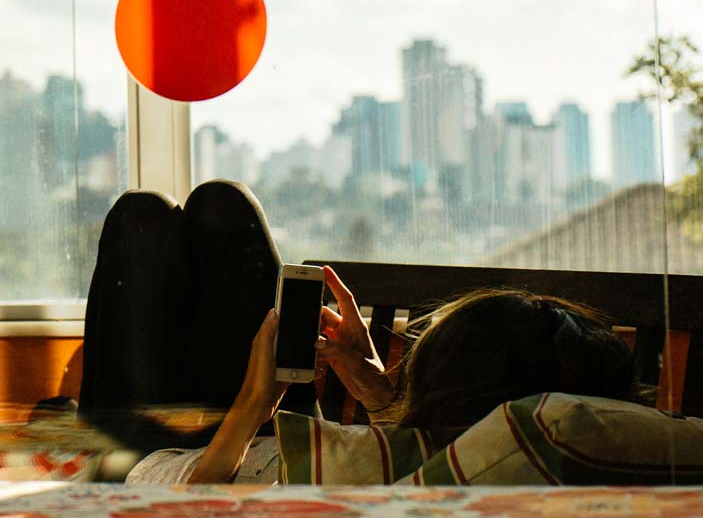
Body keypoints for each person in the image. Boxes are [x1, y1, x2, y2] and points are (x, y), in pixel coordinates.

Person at [80, 182, 648, 486]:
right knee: (217, 205)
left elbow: (181, 505)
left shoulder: (366, 478)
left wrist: (253, 405)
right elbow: (426, 448)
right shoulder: (459, 457)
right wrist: (378, 390)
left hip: (161, 465)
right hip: (277, 432)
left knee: (141, 217)